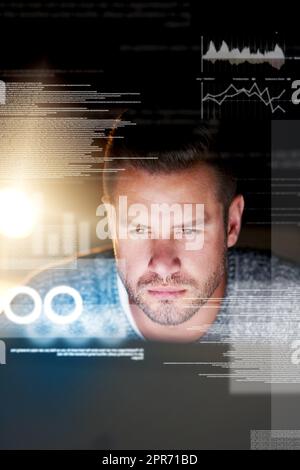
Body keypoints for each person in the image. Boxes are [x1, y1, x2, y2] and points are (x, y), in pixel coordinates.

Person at [3, 121, 300, 343]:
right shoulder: (45, 311)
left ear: (232, 223)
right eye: (140, 228)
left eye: (188, 229)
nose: (162, 262)